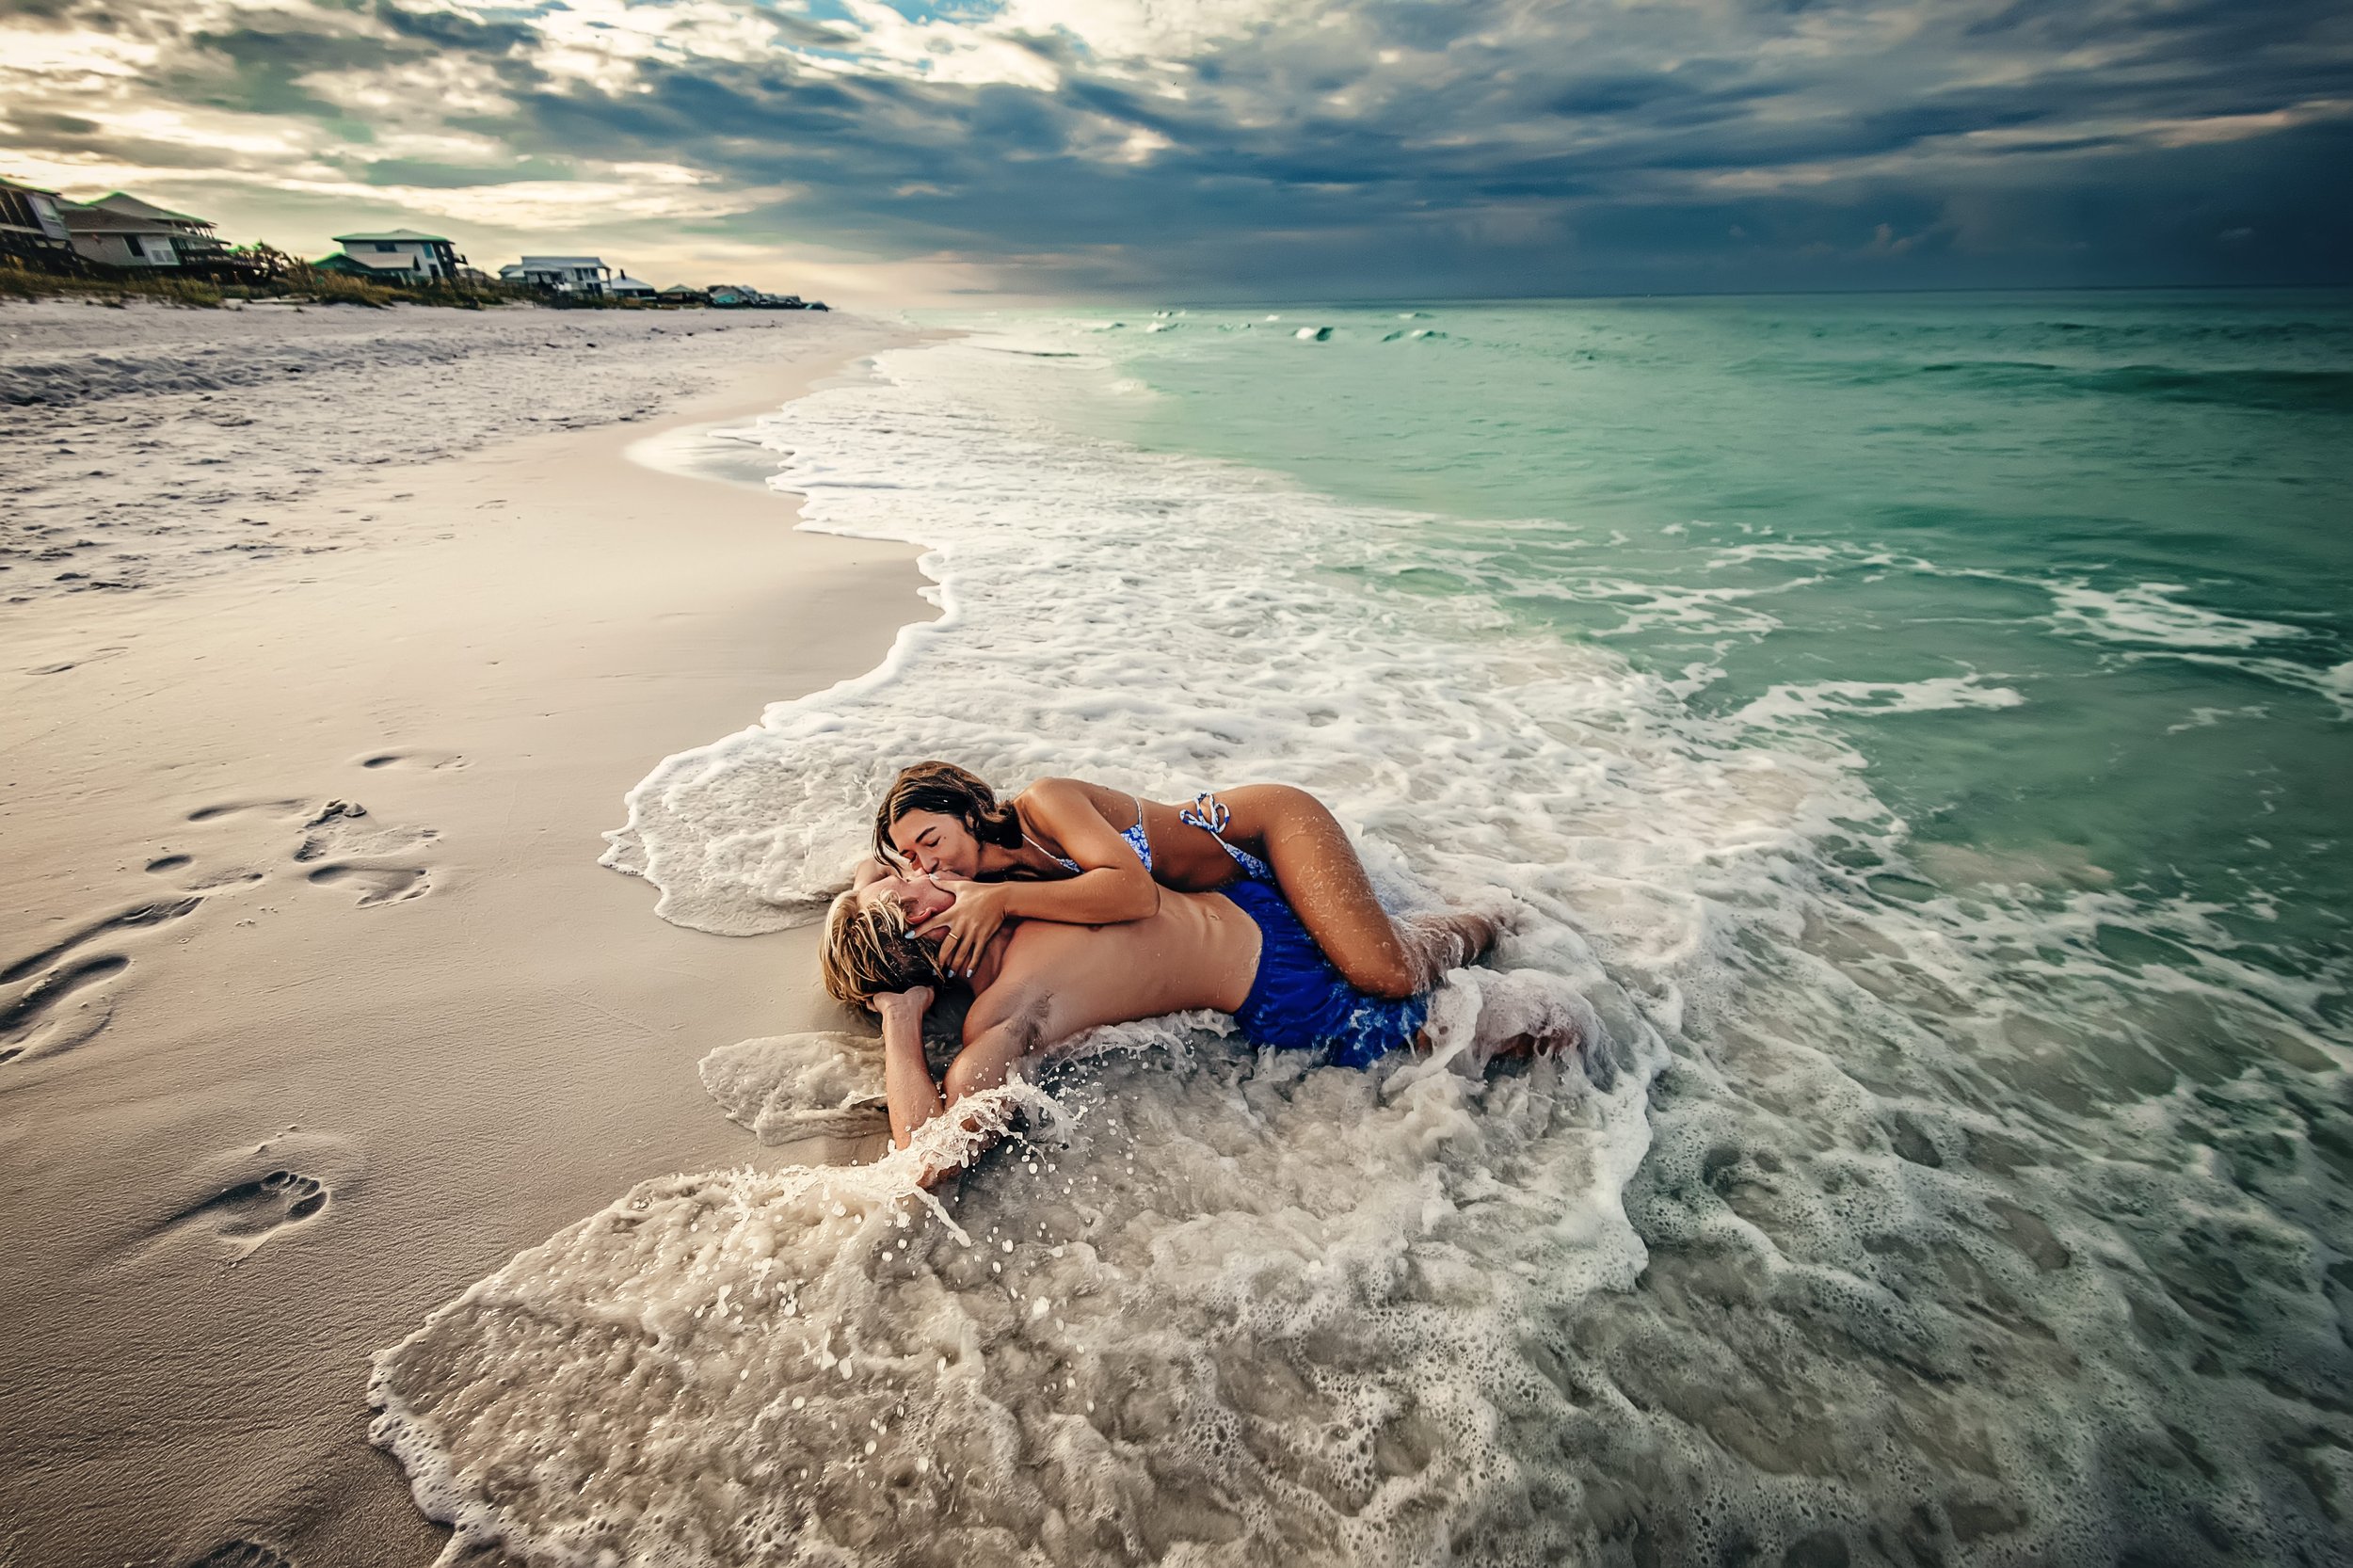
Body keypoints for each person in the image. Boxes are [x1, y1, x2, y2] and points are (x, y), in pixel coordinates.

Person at [821, 868, 1586, 1186]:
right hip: (1284, 988)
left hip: (1255, 905)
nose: (921, 875)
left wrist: (870, 905)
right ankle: (1585, 1060)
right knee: (1537, 1027)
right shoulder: (1007, 1010)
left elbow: (867, 874)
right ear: (925, 942)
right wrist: (900, 1016)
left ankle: (1510, 917)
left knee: (1437, 938)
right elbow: (927, 1160)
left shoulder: (1000, 899)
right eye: (910, 896)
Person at [861, 762, 1481, 1000]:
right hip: (1235, 902)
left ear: (970, 813)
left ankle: (1482, 921)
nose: (926, 866)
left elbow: (1134, 895)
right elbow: (871, 880)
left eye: (931, 841)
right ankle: (1389, 923)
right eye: (911, 858)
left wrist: (1002, 899)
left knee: (1385, 975)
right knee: (1350, 959)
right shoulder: (978, 879)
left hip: (1266, 833)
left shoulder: (1045, 804)